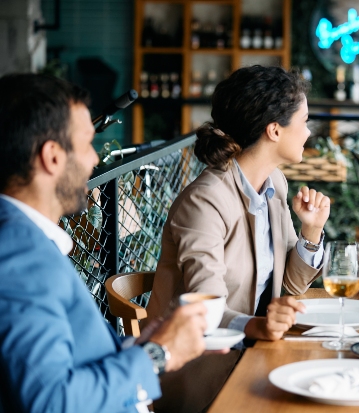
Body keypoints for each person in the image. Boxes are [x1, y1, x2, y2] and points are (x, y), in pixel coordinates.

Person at [0, 73, 225, 413]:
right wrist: (158, 355)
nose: (95, 159)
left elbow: (75, 358)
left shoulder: (25, 238)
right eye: (88, 143)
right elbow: (50, 402)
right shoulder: (19, 252)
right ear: (52, 157)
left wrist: (152, 343)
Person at [144, 65, 330, 411]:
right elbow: (205, 309)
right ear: (274, 130)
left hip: (258, 356)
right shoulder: (206, 201)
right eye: (304, 121)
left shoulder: (276, 184)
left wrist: (312, 230)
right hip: (202, 372)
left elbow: (291, 286)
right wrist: (258, 326)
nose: (308, 132)